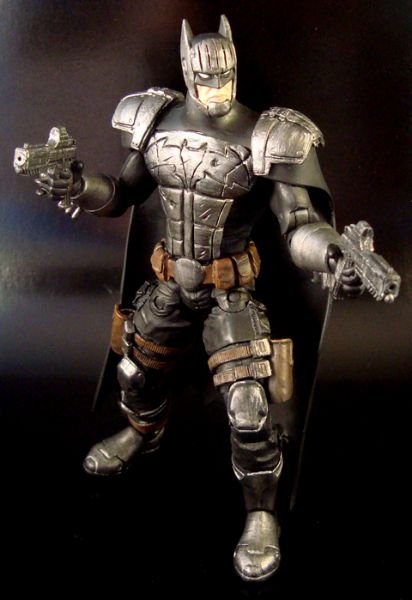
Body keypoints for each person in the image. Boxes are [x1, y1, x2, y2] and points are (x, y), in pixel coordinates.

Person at [34, 15, 363, 582]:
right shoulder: (154, 121)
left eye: (224, 76)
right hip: (168, 283)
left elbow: (299, 226)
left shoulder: (269, 135)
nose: (216, 88)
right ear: (187, 69)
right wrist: (78, 186)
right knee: (133, 375)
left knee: (249, 410)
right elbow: (121, 194)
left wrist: (334, 254)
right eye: (205, 77)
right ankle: (143, 434)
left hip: (229, 292)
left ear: (235, 67)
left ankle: (260, 513)